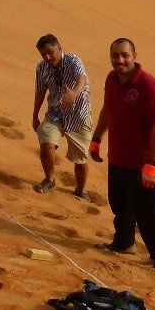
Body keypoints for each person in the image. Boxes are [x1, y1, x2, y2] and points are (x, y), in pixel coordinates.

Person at [89, 37, 155, 270]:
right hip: (118, 157)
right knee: (119, 204)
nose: (120, 60)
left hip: (143, 162)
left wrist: (153, 164)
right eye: (115, 55)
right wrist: (97, 138)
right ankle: (123, 244)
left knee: (146, 211)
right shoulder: (111, 80)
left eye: (124, 55)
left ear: (134, 56)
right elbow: (108, 109)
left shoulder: (150, 88)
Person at [31, 33, 94, 198]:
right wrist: (35, 115)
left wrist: (74, 93)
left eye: (50, 52)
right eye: (43, 54)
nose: (47, 57)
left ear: (59, 48)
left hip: (78, 115)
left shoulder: (73, 60)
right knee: (46, 141)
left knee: (80, 159)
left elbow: (81, 78)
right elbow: (40, 91)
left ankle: (80, 189)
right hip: (55, 113)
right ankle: (49, 180)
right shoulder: (41, 68)